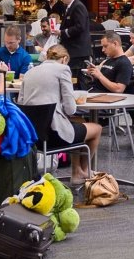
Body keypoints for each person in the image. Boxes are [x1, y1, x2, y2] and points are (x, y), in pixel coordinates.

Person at [17, 45, 100, 181]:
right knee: (96, 129)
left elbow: (21, 101)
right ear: (65, 59)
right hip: (54, 135)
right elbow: (70, 109)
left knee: (80, 124)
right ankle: (82, 171)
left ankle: (77, 171)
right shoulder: (63, 70)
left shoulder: (30, 72)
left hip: (32, 136)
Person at [58, 0, 91, 76]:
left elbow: (80, 26)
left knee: (78, 78)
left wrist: (63, 32)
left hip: (78, 51)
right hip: (72, 50)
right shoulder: (69, 7)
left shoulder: (78, 6)